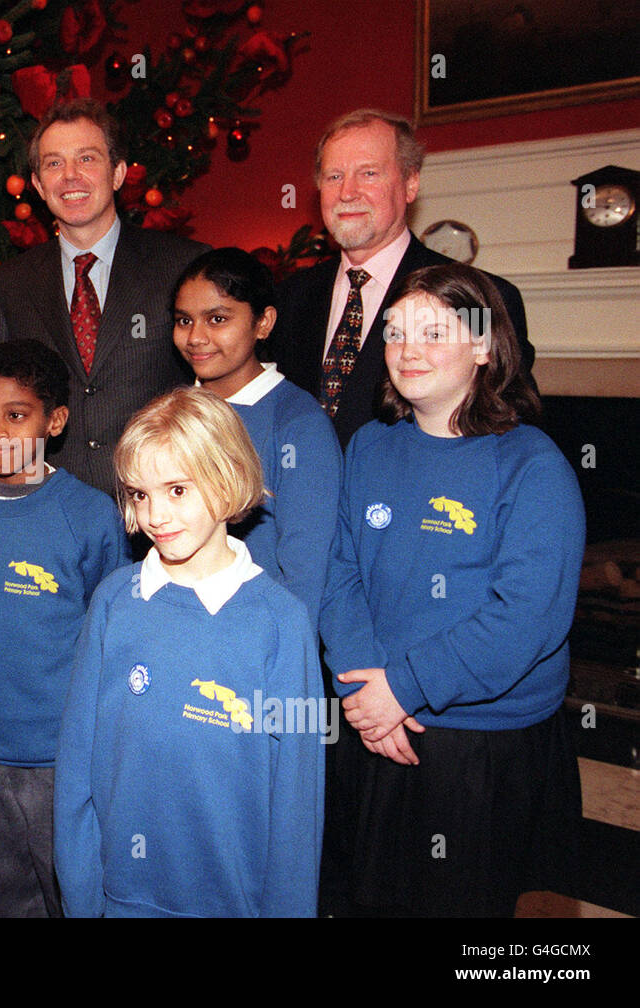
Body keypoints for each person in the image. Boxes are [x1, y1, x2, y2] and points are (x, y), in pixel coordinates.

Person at [320, 263, 584, 917]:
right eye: (396, 331)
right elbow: (340, 577)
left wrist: (403, 688)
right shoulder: (368, 449)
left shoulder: (533, 466)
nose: (408, 349)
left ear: (485, 347)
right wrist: (363, 690)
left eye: (434, 331)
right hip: (374, 724)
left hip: (478, 749)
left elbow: (527, 618)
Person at [54, 387, 323, 917]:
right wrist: (83, 899)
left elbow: (297, 801)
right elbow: (77, 765)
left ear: (225, 477)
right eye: (139, 494)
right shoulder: (113, 600)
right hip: (120, 898)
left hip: (233, 903)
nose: (156, 514)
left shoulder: (281, 622)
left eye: (177, 489)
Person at [0, 338, 129, 917]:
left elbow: (113, 635)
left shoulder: (91, 514)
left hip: (61, 752)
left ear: (56, 420)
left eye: (16, 415)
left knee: (71, 893)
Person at [266, 108, 534, 447]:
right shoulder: (289, 297)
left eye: (369, 173)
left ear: (410, 184)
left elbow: (508, 428)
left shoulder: (481, 297)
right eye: (334, 177)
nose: (347, 192)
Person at [0, 98, 204, 496]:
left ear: (118, 173)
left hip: (162, 509)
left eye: (86, 159)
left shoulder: (183, 268)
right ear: (36, 185)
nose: (70, 176)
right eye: (53, 163)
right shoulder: (8, 285)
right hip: (51, 518)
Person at [171, 247, 341, 632]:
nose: (196, 337)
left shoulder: (297, 423)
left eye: (217, 319)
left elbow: (305, 572)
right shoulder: (172, 412)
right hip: (176, 625)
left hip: (253, 637)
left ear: (263, 323)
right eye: (184, 320)